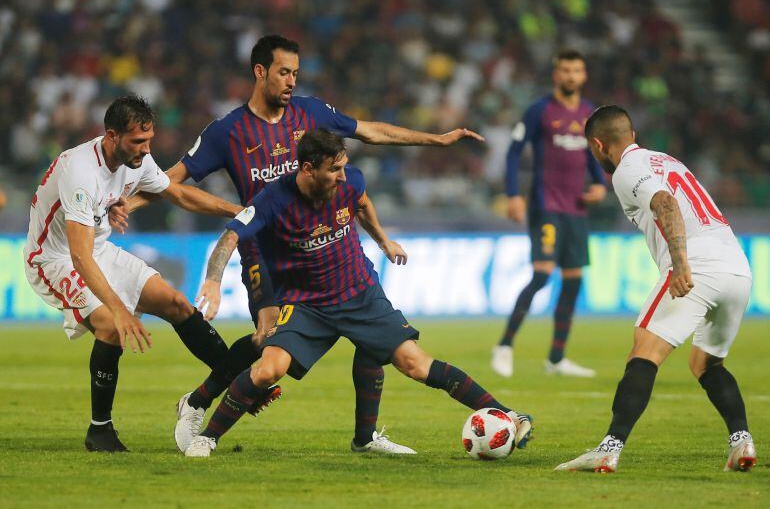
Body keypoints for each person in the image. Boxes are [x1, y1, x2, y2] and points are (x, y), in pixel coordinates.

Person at [110, 34, 485, 453]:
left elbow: (371, 132)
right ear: (260, 72)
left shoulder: (310, 112)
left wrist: (436, 140)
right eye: (284, 72)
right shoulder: (227, 131)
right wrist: (131, 202)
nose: (291, 81)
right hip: (263, 254)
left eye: (295, 73)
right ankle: (197, 402)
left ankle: (365, 437)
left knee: (367, 333)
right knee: (265, 339)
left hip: (318, 251)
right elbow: (173, 177)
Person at [179, 129, 532, 457]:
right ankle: (207, 438)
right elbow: (230, 237)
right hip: (306, 303)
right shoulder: (273, 200)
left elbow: (362, 203)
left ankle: (509, 415)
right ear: (307, 169)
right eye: (334, 170)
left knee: (415, 364)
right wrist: (212, 278)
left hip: (359, 291)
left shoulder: (350, 182)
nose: (344, 176)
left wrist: (382, 240)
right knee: (270, 368)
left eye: (344, 167)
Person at [23, 95, 274, 452]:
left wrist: (242, 212)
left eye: (149, 140)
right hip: (53, 258)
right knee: (111, 324)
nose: (145, 149)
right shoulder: (80, 171)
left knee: (175, 302)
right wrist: (121, 310)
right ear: (112, 136)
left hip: (98, 248)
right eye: (138, 142)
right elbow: (79, 256)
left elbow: (179, 194)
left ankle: (236, 382)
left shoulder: (136, 161)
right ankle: (100, 430)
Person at [555, 105, 756, 473]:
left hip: (698, 265)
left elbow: (665, 202)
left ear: (599, 144)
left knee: (644, 352)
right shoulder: (666, 160)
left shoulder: (627, 170)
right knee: (706, 363)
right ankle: (741, 442)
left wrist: (680, 264)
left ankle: (608, 448)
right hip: (738, 267)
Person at [491, 49, 607, 378]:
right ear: (556, 75)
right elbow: (514, 152)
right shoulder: (539, 110)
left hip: (577, 208)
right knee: (541, 275)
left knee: (573, 282)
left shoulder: (589, 113)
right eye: (565, 70)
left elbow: (594, 155)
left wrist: (600, 184)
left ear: (583, 76)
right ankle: (504, 345)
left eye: (577, 70)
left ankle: (556, 358)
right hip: (546, 204)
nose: (571, 76)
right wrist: (513, 194)